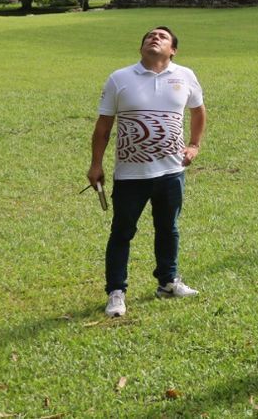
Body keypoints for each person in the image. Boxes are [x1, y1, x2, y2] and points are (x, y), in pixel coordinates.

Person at [88, 26, 206, 318]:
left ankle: (168, 282)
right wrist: (95, 164)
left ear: (173, 50)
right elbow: (103, 127)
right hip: (130, 175)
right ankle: (116, 291)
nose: (154, 38)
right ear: (141, 47)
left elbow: (199, 111)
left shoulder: (185, 76)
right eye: (149, 36)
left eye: (162, 37)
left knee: (169, 228)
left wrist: (194, 145)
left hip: (171, 172)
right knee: (122, 232)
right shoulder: (120, 79)